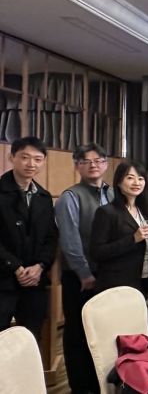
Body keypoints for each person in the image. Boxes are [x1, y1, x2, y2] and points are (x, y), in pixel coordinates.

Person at [55, 143, 112, 394]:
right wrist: (84, 273)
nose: (93, 165)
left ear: (106, 164)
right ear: (77, 166)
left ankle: (100, 383)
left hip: (107, 275)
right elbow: (70, 241)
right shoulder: (70, 196)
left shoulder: (113, 193)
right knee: (78, 333)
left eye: (98, 160)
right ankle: (80, 387)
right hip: (80, 278)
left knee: (101, 332)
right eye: (86, 161)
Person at [0, 137, 57, 342]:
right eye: (25, 157)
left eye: (37, 159)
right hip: (3, 278)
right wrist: (15, 267)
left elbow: (51, 237)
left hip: (34, 281)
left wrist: (40, 266)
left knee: (31, 339)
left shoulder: (44, 197)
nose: (31, 164)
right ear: (12, 157)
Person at [90, 161, 148, 306]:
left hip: (145, 281)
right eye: (130, 178)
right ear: (119, 182)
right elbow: (97, 252)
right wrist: (133, 239)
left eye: (141, 178)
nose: (137, 183)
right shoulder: (107, 212)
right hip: (117, 284)